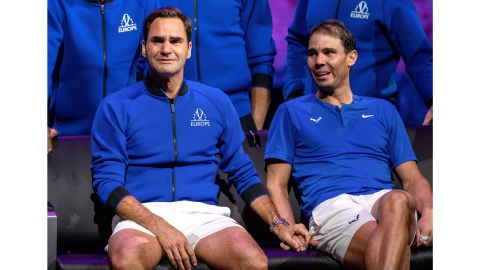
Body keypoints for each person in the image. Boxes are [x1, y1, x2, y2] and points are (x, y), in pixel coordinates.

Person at [91, 7, 309, 270]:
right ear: (144, 49)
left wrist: (278, 224)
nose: (166, 48)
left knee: (253, 261)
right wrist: (161, 227)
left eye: (175, 41)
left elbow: (243, 174)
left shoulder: (216, 101)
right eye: (157, 41)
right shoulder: (115, 106)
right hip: (143, 217)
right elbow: (106, 182)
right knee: (127, 258)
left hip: (203, 216)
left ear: (189, 49)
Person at [265, 20, 432, 269]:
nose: (319, 61)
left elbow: (412, 179)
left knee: (399, 200)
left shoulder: (383, 110)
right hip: (332, 207)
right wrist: (288, 228)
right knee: (391, 243)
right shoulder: (291, 112)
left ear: (351, 57)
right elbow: (276, 183)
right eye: (312, 53)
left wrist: (430, 211)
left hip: (384, 202)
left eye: (328, 52)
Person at [283, 0, 433, 125]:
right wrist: (295, 92)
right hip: (312, 119)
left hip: (369, 122)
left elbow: (418, 55)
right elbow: (298, 40)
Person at [47, 0, 159, 152]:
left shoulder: (145, 4)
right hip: (68, 134)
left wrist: (156, 116)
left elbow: (157, 66)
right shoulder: (56, 4)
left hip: (126, 134)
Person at [154, 0, 276, 130]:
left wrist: (255, 127)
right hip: (166, 114)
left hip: (236, 114)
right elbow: (138, 58)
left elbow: (262, 59)